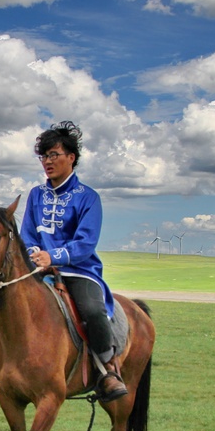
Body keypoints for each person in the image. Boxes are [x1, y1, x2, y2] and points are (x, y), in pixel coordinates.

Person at [19, 120, 127, 402]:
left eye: (54, 155)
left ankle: (108, 370)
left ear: (71, 157)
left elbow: (85, 243)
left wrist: (53, 256)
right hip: (39, 271)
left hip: (79, 270)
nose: (47, 162)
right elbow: (27, 234)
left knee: (92, 311)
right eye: (44, 156)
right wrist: (35, 255)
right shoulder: (36, 195)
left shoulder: (88, 197)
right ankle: (15, 371)